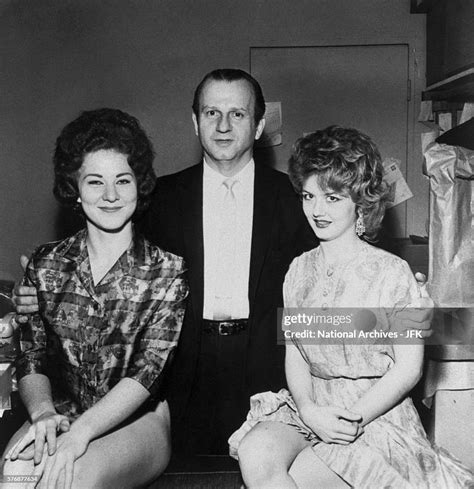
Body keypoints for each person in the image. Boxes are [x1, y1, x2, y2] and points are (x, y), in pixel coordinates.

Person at [12, 69, 431, 458]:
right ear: (195, 123)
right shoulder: (157, 199)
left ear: (260, 126)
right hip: (179, 374)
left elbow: (344, 272)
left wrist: (405, 293)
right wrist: (36, 293)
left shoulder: (300, 199)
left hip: (274, 372)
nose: (224, 125)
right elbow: (108, 266)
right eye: (212, 113)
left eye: (238, 113)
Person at [230, 126, 473, 488]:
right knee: (255, 453)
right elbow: (295, 355)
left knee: (300, 475)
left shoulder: (394, 273)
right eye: (309, 196)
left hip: (374, 415)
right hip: (310, 407)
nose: (317, 210)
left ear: (360, 201)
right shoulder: (298, 270)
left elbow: (408, 370)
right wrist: (310, 410)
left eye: (332, 198)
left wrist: (350, 419)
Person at [2, 108, 188, 489]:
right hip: (63, 411)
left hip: (140, 421)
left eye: (123, 180)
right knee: (15, 475)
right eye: (94, 182)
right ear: (74, 188)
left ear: (140, 184)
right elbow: (30, 354)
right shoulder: (46, 263)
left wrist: (79, 435)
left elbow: (147, 371)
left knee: (75, 478)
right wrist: (42, 415)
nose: (110, 195)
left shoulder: (167, 271)